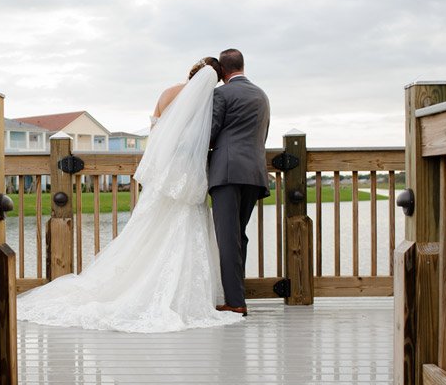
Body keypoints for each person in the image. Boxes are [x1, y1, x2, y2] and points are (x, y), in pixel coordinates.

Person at [16, 57, 243, 332]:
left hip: (163, 173)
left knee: (148, 229)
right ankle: (177, 294)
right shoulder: (206, 101)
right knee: (183, 227)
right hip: (188, 174)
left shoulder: (168, 93)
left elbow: (156, 131)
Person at [208, 49, 271, 316]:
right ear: (243, 66)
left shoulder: (221, 94)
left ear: (222, 72)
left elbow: (209, 133)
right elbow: (263, 134)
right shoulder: (261, 95)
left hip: (227, 172)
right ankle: (238, 296)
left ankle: (235, 302)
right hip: (254, 172)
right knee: (239, 236)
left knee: (228, 238)